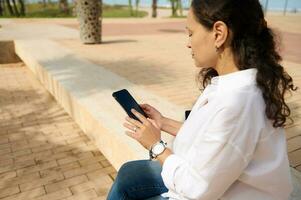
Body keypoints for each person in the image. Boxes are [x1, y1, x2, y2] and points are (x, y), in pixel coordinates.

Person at [107, 0, 298, 199]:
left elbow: (197, 188)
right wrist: (162, 122)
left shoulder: (238, 104)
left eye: (190, 33)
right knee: (128, 175)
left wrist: (155, 146)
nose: (188, 42)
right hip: (206, 175)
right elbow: (209, 138)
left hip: (204, 188)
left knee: (128, 185)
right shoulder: (230, 84)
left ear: (218, 33)